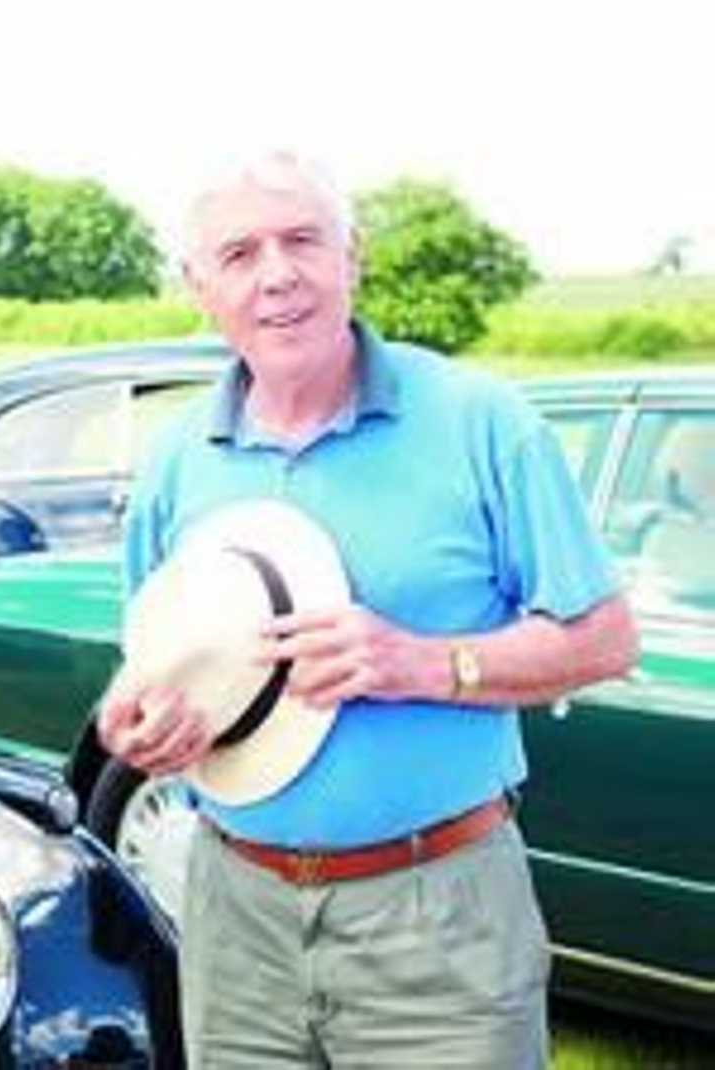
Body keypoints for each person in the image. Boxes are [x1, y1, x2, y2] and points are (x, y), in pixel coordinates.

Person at [97, 150, 638, 1068]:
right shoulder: (177, 459)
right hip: (233, 911)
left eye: (303, 240)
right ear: (200, 286)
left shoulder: (482, 421)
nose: (277, 275)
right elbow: (150, 658)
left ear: (354, 256)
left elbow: (605, 638)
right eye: (240, 254)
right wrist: (137, 720)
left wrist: (422, 662)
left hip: (439, 918)